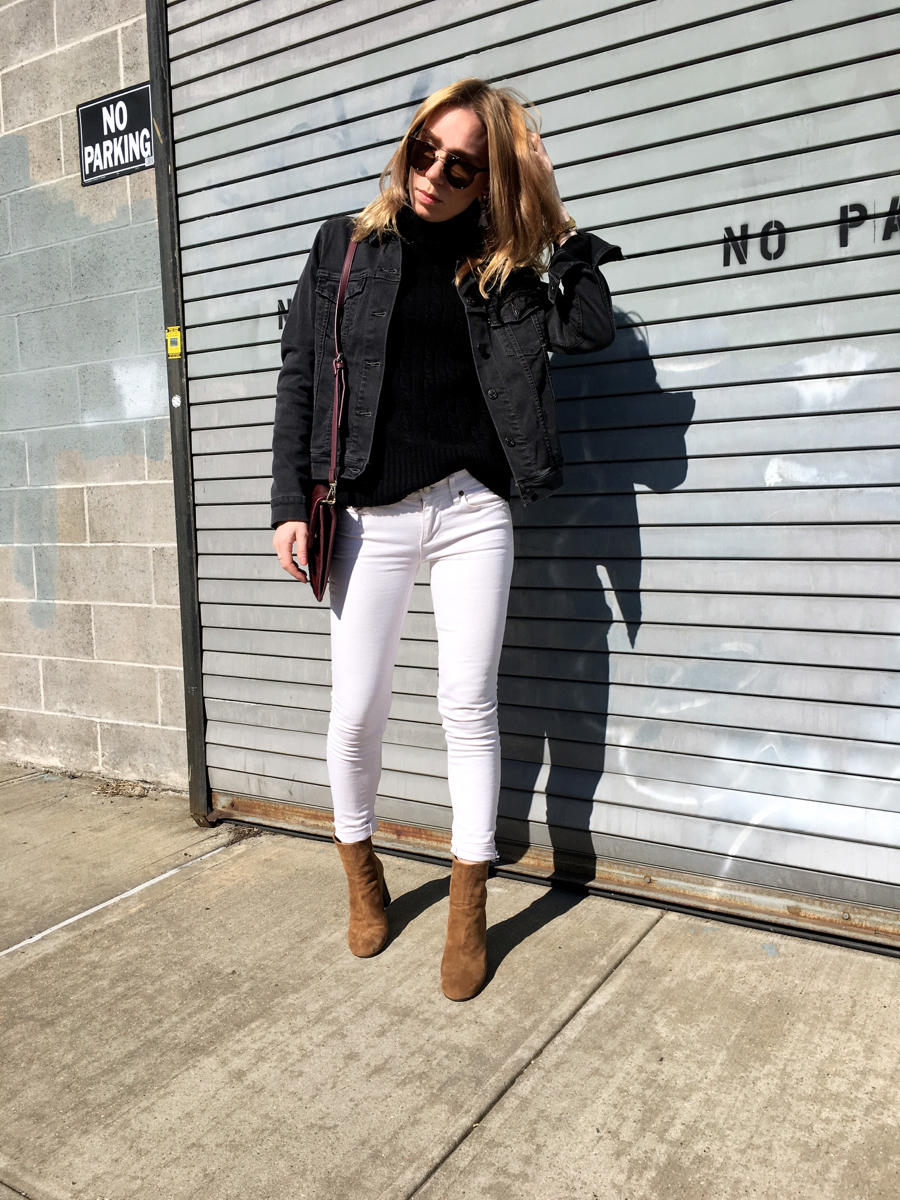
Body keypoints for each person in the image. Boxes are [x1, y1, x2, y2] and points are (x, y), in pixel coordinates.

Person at [271, 77, 620, 1001]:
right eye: (425, 150)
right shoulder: (343, 246)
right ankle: (363, 878)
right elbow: (301, 374)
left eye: (462, 167)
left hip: (472, 510)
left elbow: (588, 328)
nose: (433, 174)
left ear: (487, 180)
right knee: (356, 711)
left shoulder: (501, 266)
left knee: (467, 706)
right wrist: (287, 503)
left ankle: (469, 907)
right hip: (368, 514)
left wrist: (554, 213)